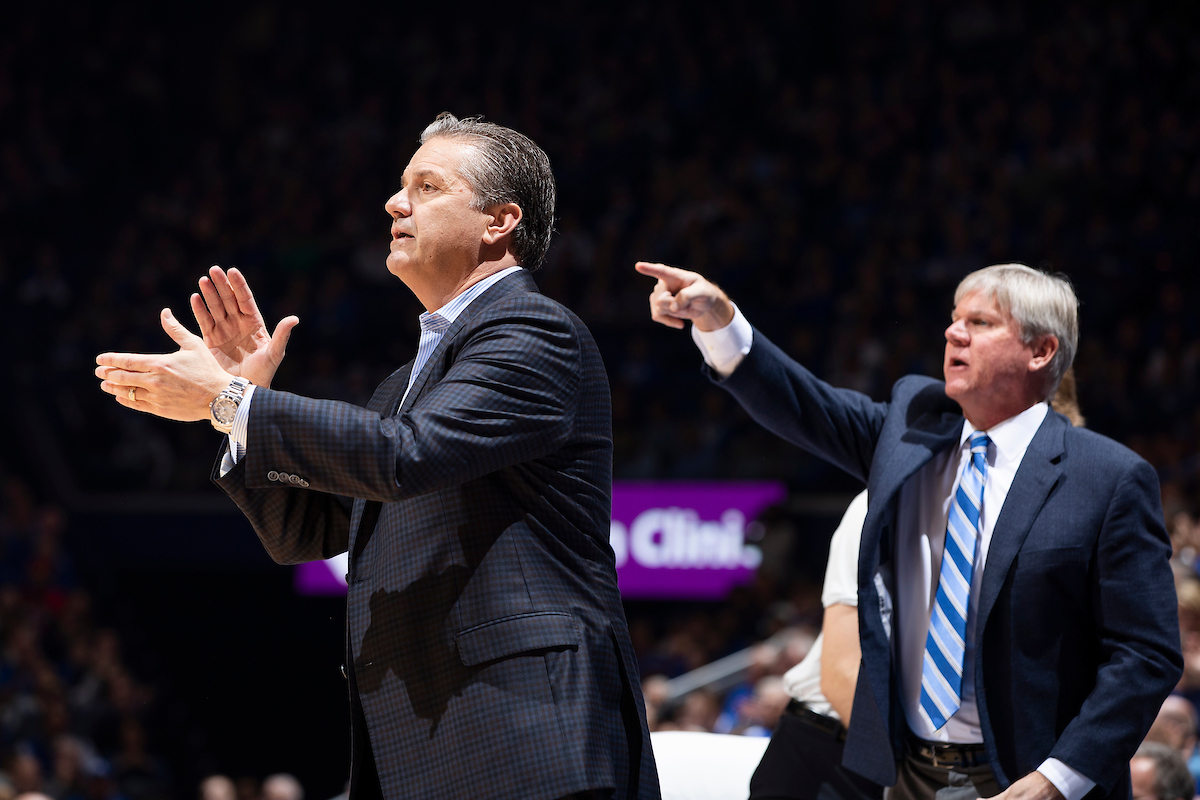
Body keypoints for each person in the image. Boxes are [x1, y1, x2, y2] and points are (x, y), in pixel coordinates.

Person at [94, 113, 659, 800]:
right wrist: (248, 402)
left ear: (499, 221)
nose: (394, 203)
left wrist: (231, 402)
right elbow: (303, 533)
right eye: (400, 186)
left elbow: (405, 457)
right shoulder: (402, 385)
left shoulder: (535, 330)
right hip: (429, 743)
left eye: (427, 187)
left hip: (526, 734)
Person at [637, 260, 1180, 800]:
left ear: (1041, 351)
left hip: (1029, 777)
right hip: (908, 775)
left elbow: (1145, 654)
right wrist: (720, 321)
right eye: (954, 318)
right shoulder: (911, 431)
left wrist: (1058, 779)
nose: (953, 333)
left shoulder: (1109, 478)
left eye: (981, 323)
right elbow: (804, 404)